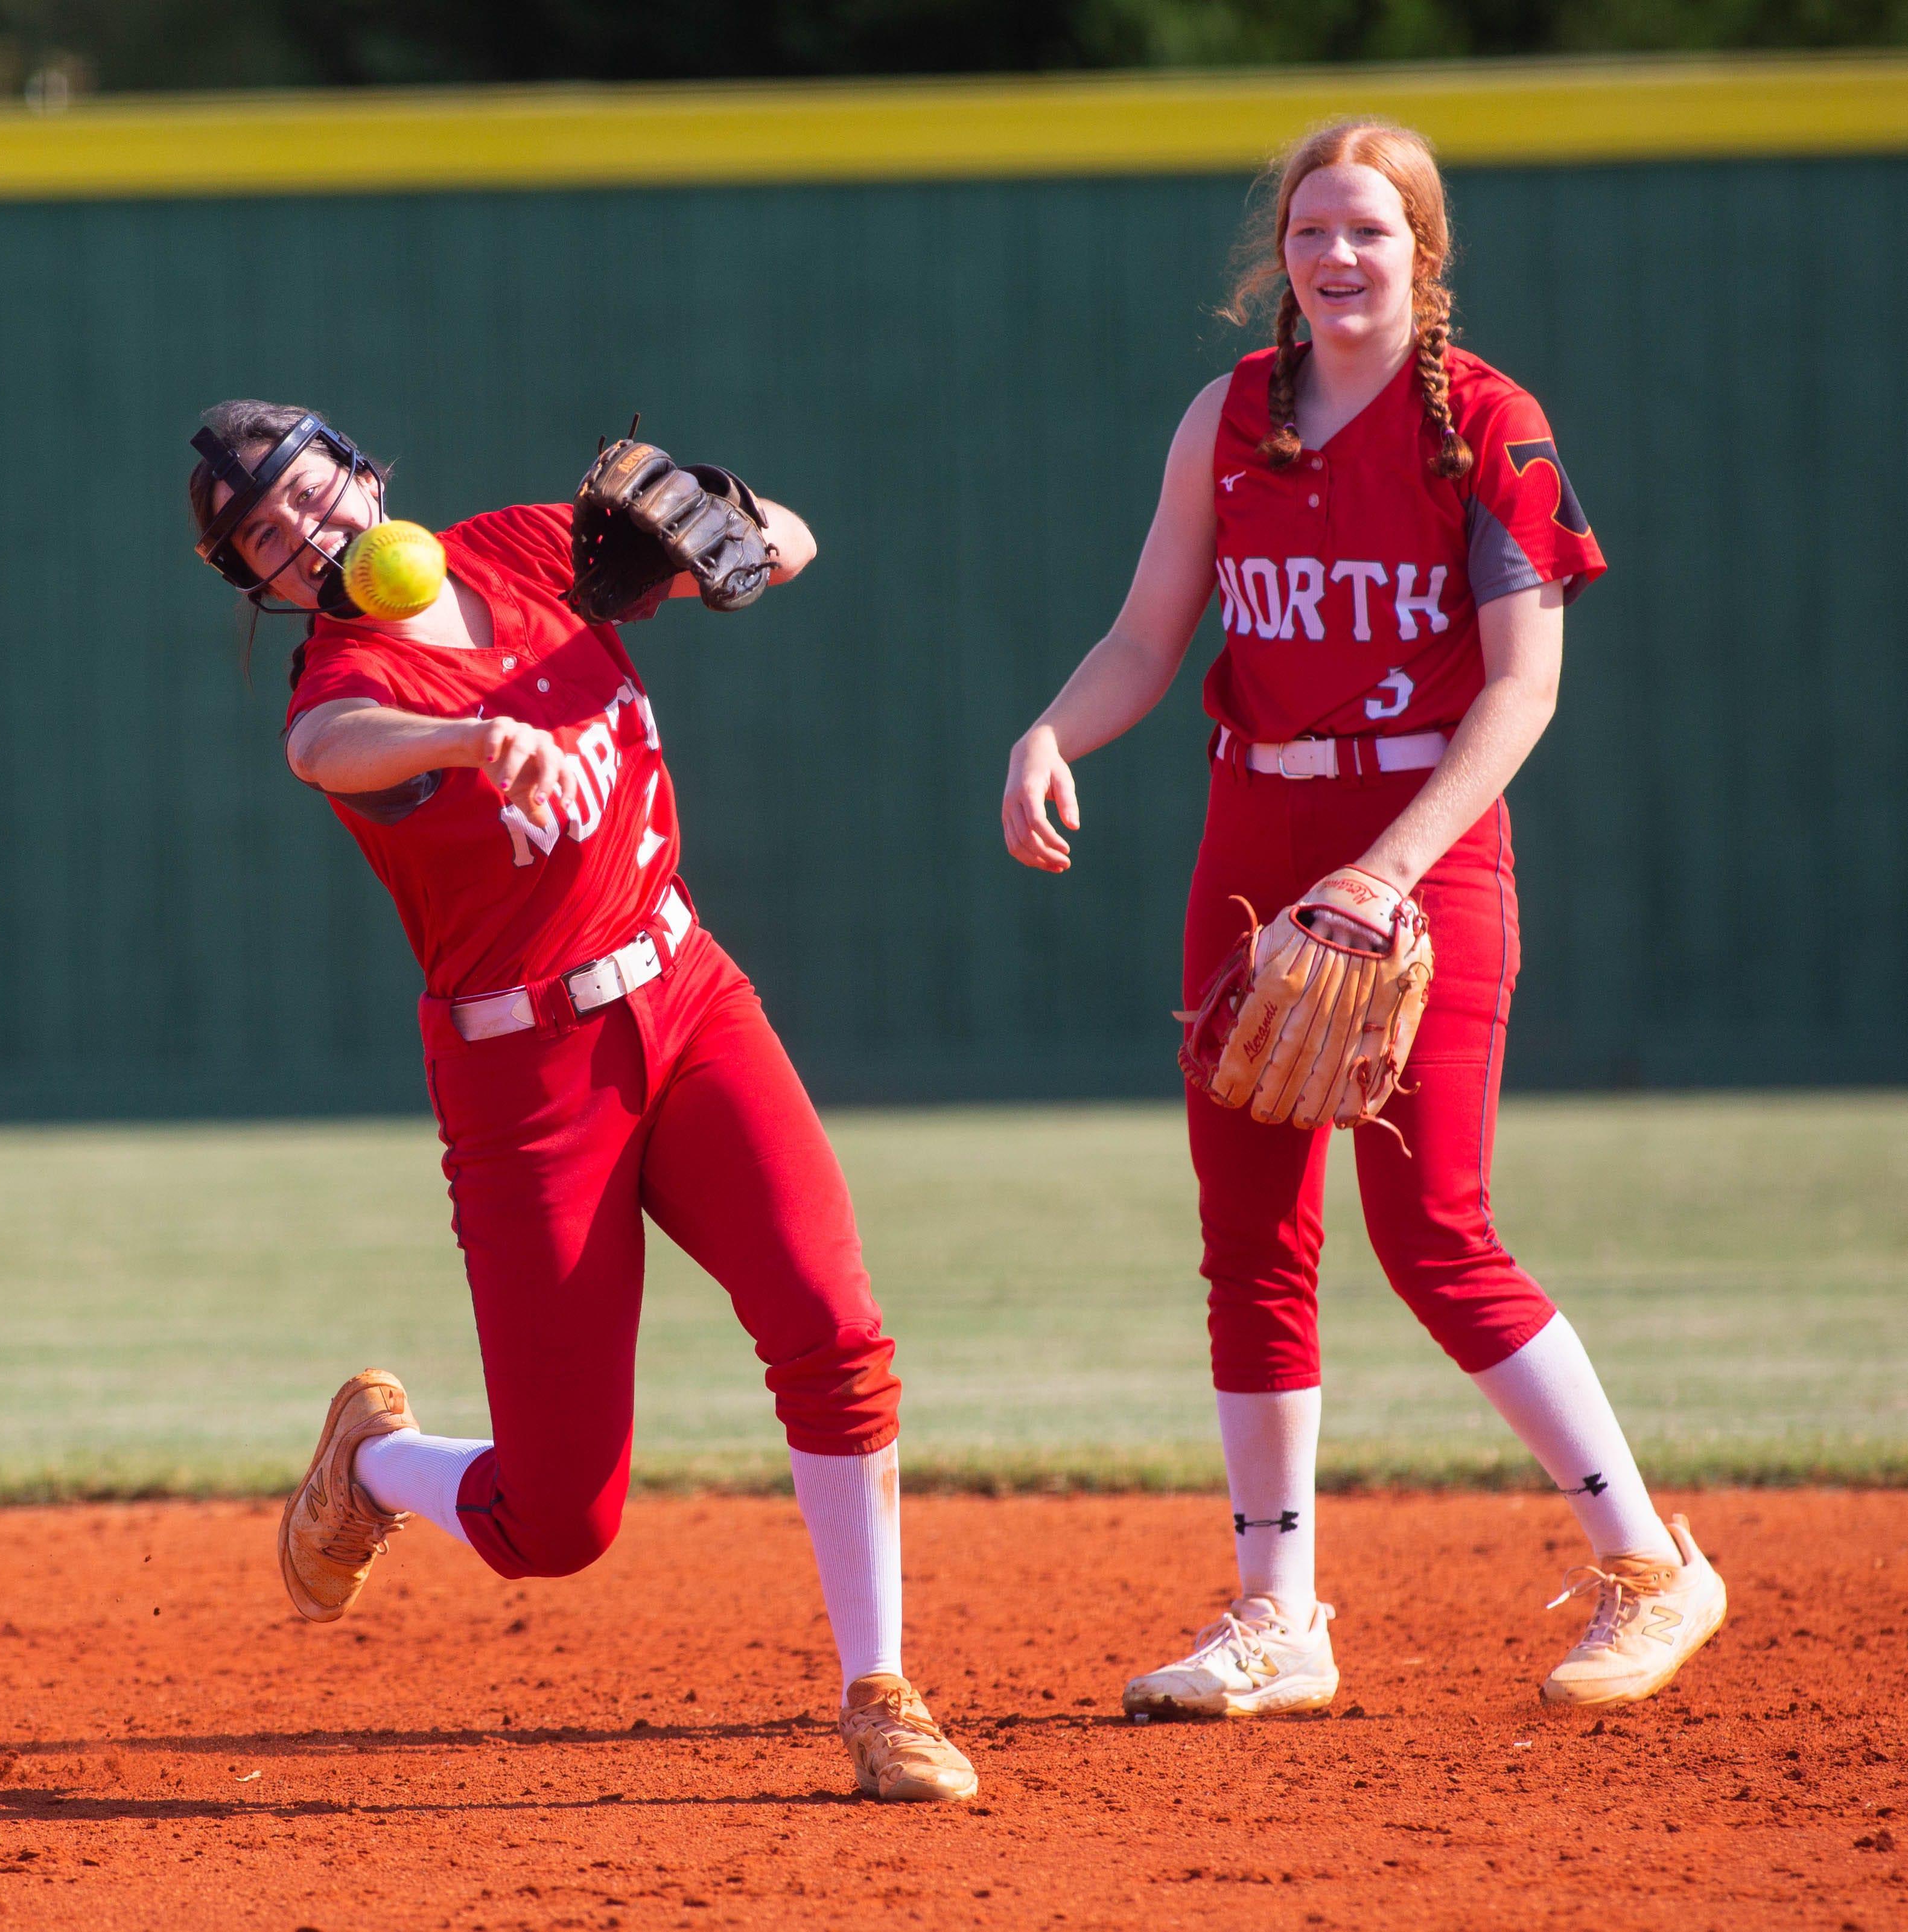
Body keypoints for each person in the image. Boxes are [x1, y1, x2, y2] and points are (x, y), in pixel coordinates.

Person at [999, 119, 1726, 1717]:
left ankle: (1652, 1568)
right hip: (1254, 832)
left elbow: (1523, 686)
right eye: (1315, 230)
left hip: (1422, 846)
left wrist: (1381, 873)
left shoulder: (1483, 425)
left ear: (1424, 256)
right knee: (1250, 1231)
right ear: (1283, 255)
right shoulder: (1231, 417)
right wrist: (1052, 729)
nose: (1338, 258)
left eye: (1372, 233)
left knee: (1432, 1234)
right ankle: (1279, 1615)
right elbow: (1144, 637)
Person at [185, 401, 974, 1801]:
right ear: (263, 581)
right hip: (525, 1078)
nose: (303, 530)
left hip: (685, 993)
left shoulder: (524, 548)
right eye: (264, 535)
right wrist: (485, 738)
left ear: (365, 476)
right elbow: (332, 750)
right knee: (559, 1516)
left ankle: (880, 1691)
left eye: (308, 492)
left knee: (832, 1323)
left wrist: (739, 533)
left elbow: (787, 544)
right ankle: (377, 1469)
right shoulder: (343, 678)